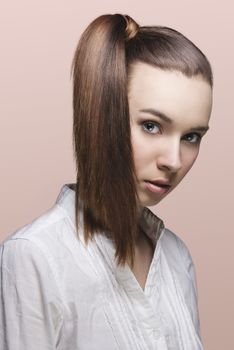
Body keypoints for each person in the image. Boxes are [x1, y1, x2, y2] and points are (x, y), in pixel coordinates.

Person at [0, 13, 213, 350]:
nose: (174, 160)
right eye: (152, 126)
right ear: (104, 118)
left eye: (191, 136)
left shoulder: (176, 258)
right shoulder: (35, 256)